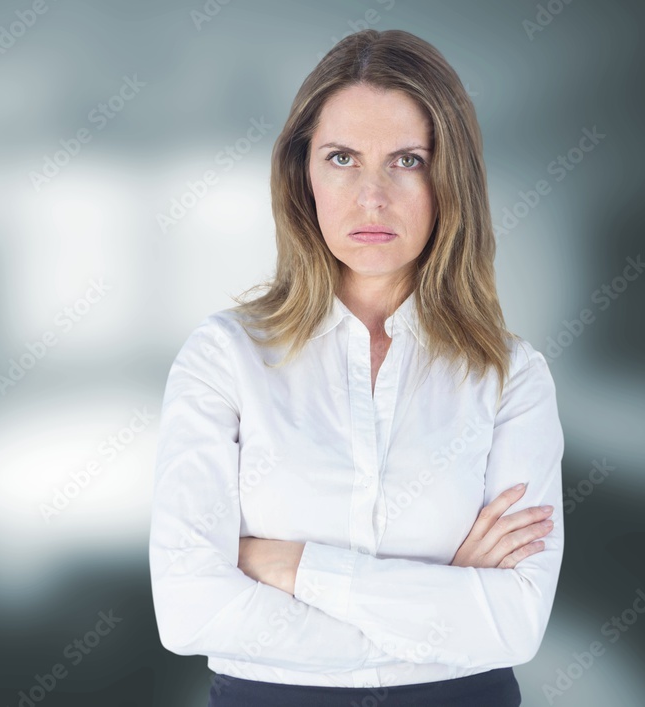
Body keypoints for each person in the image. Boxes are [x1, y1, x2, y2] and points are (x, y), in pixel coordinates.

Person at [148, 28, 564, 707]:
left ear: (448, 177)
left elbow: (514, 625)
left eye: (406, 159)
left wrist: (289, 563)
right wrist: (446, 606)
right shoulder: (224, 356)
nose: (373, 197)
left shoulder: (510, 374)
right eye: (342, 157)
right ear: (302, 173)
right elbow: (189, 608)